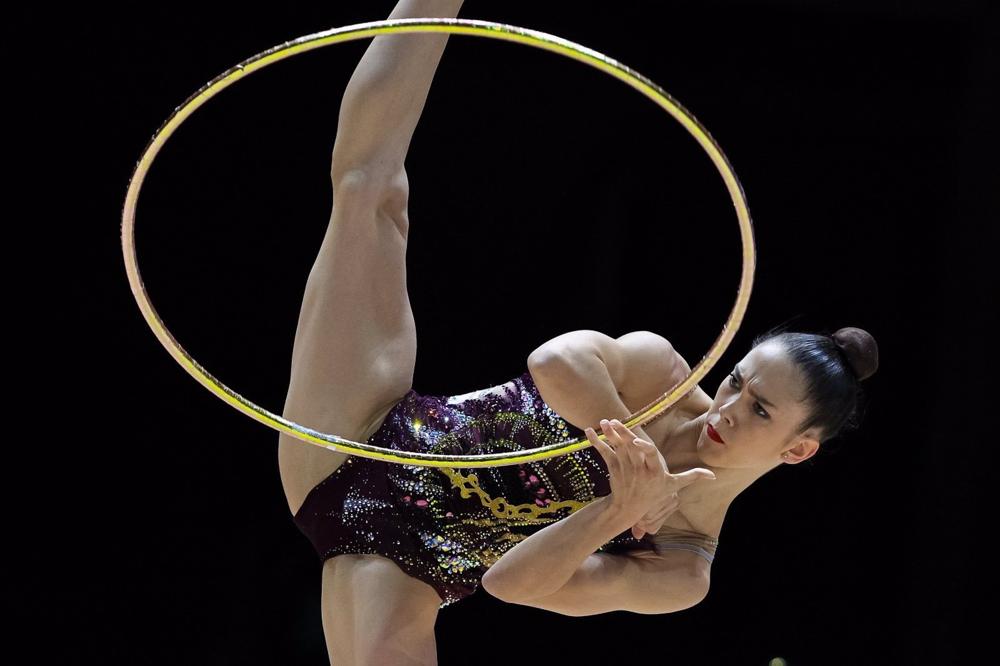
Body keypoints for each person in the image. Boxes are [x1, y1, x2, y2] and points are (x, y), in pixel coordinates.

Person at [277, 2, 879, 663]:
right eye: (738, 381)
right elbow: (556, 361)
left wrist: (620, 507)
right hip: (371, 432)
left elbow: (509, 584)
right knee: (371, 192)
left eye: (760, 410)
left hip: (411, 571)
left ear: (797, 450)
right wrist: (632, 446)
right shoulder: (660, 374)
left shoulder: (681, 564)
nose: (728, 408)